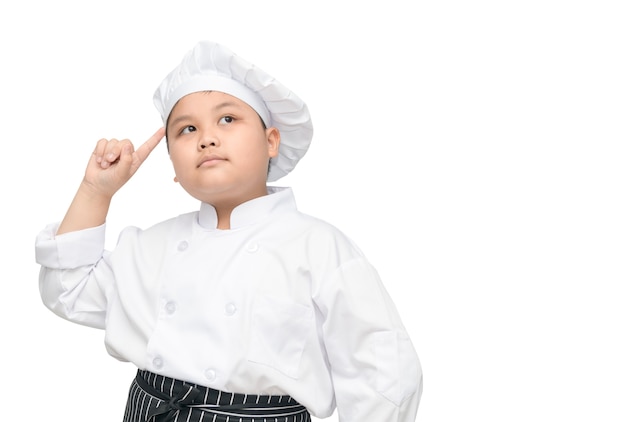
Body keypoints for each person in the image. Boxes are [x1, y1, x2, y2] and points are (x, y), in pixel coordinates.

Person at [35, 40, 423, 422]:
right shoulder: (149, 247)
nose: (207, 138)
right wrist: (96, 191)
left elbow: (384, 368)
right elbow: (67, 291)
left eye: (227, 119)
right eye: (186, 129)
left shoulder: (319, 248)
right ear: (172, 164)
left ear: (272, 141)